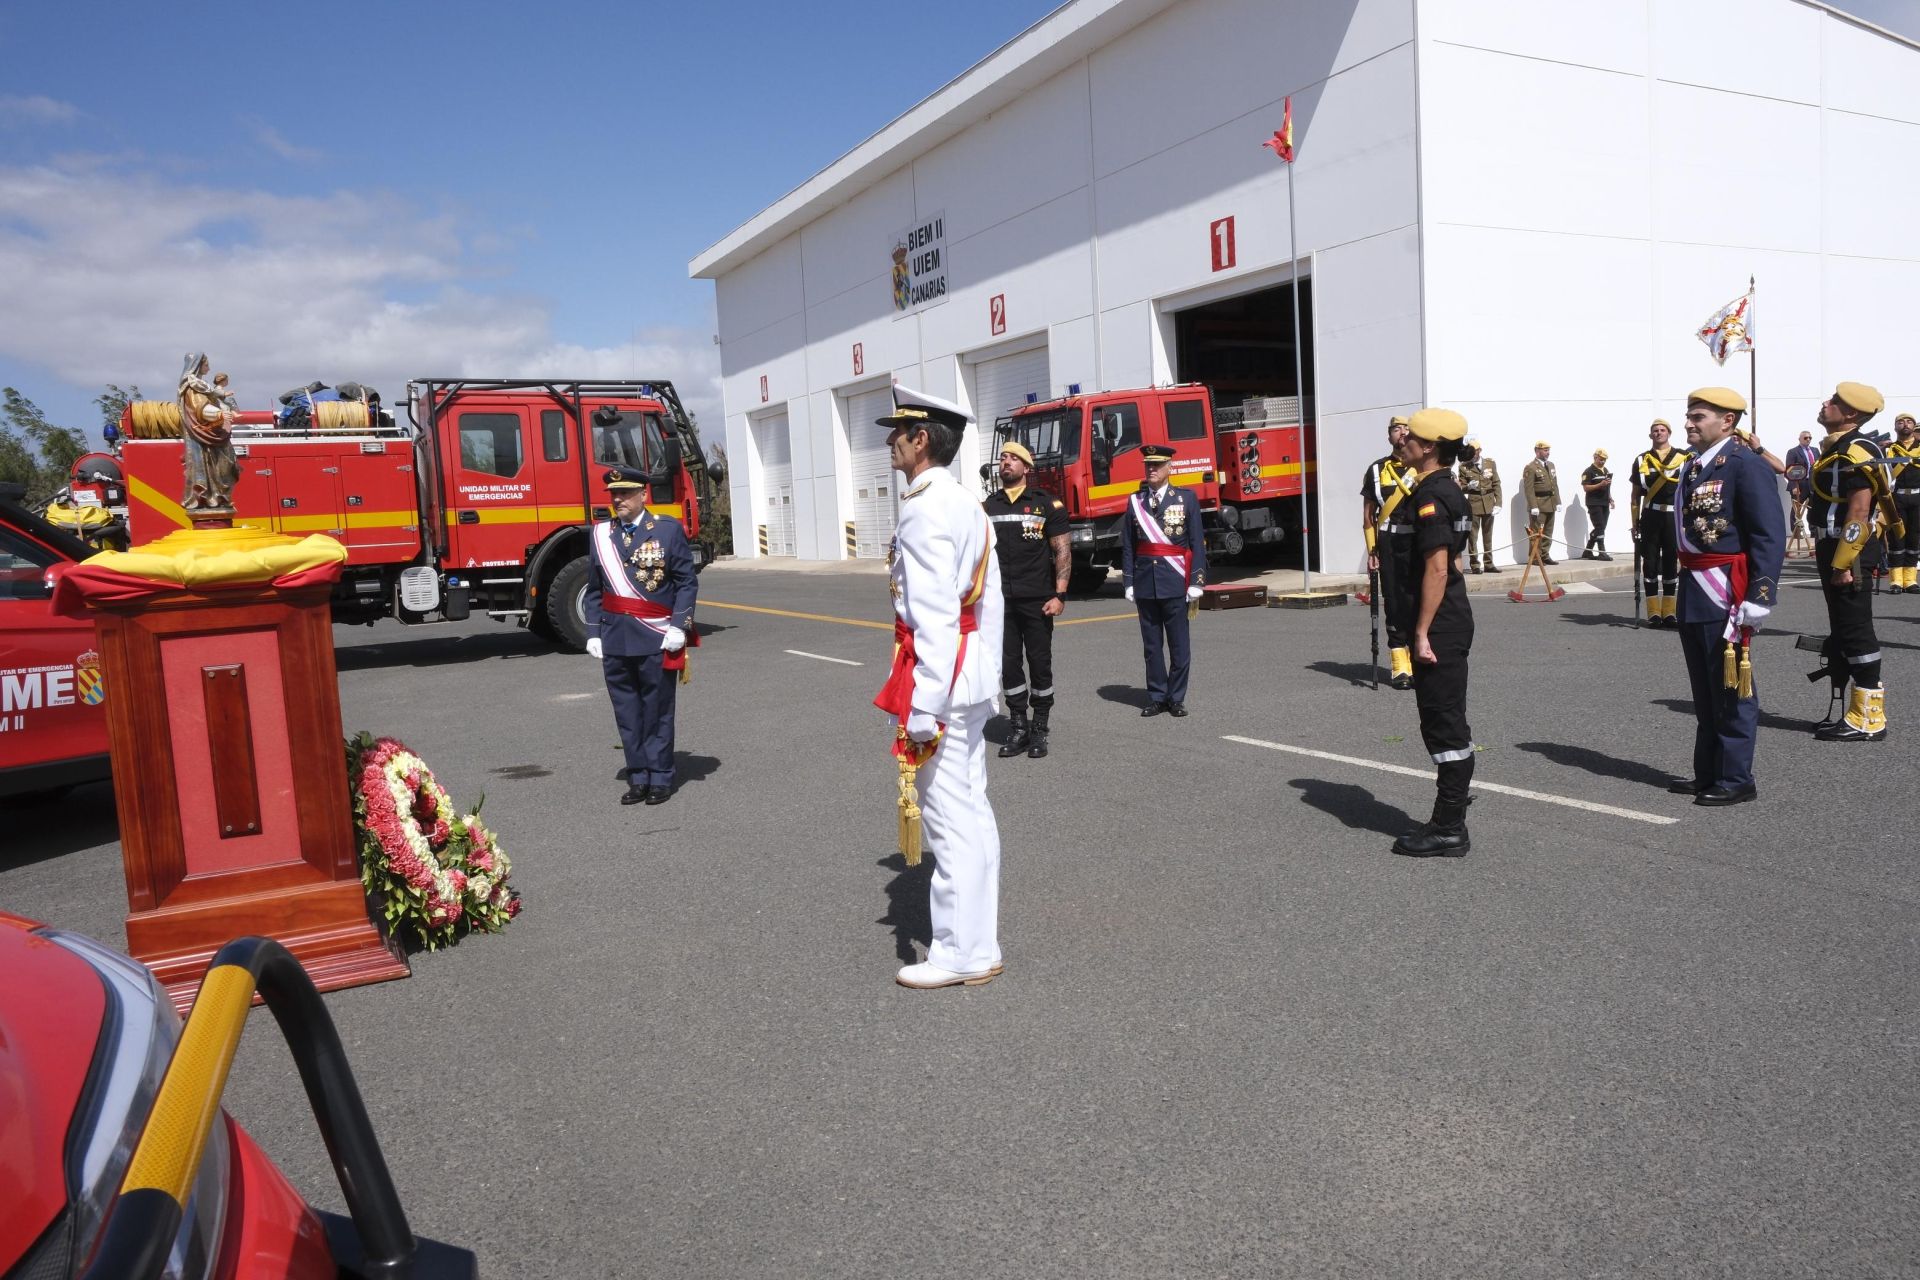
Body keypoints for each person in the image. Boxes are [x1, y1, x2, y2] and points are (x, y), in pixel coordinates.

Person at [870, 384, 1006, 989]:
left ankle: (959, 952)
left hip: (943, 682)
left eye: (896, 433)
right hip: (969, 673)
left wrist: (924, 705)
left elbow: (935, 618)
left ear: (921, 439)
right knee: (972, 811)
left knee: (950, 820)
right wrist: (991, 675)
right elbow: (989, 606)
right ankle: (981, 941)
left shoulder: (925, 507)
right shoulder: (966, 503)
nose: (889, 443)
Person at [1665, 388, 1785, 806]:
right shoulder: (1694, 466)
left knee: (1733, 688)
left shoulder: (1745, 465)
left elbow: (1768, 535)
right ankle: (1708, 772)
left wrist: (1760, 594)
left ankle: (1736, 778)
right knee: (1705, 689)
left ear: (1727, 421)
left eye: (1698, 416)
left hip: (1726, 592)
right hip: (1695, 589)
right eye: (1689, 416)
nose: (1688, 423)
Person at [1389, 408, 1477, 857]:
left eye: (1410, 439)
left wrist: (1421, 631)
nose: (1401, 442)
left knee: (1445, 727)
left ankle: (1449, 828)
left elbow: (1440, 567)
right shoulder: (1438, 488)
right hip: (1445, 621)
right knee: (1442, 722)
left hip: (1439, 627)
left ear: (1430, 448)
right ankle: (1450, 817)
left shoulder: (1432, 494)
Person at [584, 466, 698, 805]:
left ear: (643, 494)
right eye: (613, 494)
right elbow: (594, 588)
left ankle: (661, 776)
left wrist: (680, 625)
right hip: (616, 637)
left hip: (655, 636)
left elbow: (685, 582)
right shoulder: (601, 534)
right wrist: (593, 632)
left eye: (625, 493)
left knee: (657, 710)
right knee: (627, 712)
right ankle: (638, 776)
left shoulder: (666, 529)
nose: (617, 499)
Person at [1808, 382, 1896, 742]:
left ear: (1851, 414)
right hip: (1835, 547)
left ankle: (1870, 718)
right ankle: (1855, 712)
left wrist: (1843, 563)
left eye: (1835, 402)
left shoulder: (1858, 450)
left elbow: (1860, 512)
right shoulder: (1838, 447)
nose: (1826, 403)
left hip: (1852, 551)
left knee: (1856, 628)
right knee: (1843, 628)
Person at [983, 441, 1069, 757]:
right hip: (999, 603)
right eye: (1003, 458)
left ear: (1026, 468)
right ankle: (1018, 726)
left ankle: (1039, 728)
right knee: (1008, 665)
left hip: (1037, 600)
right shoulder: (988, 506)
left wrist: (1060, 595)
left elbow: (1062, 550)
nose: (1005, 462)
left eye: (1012, 458)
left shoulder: (1046, 504)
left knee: (1039, 663)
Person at [1122, 443, 1207, 715]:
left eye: (1157, 465)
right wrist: (1129, 581)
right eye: (1148, 465)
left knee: (1179, 645)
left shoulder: (1186, 499)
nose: (1152, 469)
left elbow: (1197, 543)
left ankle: (1177, 697)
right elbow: (1128, 545)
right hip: (1147, 583)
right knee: (1152, 647)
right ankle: (1157, 696)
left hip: (1174, 581)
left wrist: (1197, 581)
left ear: (1170, 468)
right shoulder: (1135, 501)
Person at [1360, 417, 1415, 686]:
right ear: (1389, 437)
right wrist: (1372, 549)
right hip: (1390, 543)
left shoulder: (1424, 467)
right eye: (1396, 429)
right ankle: (1399, 667)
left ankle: (1418, 659)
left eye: (1407, 429)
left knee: (1419, 600)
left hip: (1419, 543)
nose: (1402, 433)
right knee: (1394, 602)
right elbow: (1368, 516)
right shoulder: (1376, 469)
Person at [1631, 419, 1690, 628]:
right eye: (1655, 430)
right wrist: (1634, 522)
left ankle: (1670, 612)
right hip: (1650, 516)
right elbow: (1635, 495)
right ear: (1650, 435)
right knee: (1651, 562)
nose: (1658, 433)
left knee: (1671, 563)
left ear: (1669, 433)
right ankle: (1654, 612)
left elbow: (1690, 490)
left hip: (1674, 517)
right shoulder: (1641, 460)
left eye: (1662, 430)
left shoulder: (1684, 458)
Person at [1456, 436, 1501, 573]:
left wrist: (1498, 502)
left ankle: (1489, 563)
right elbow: (1461, 487)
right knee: (1472, 536)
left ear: (1480, 450)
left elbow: (1496, 483)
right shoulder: (1464, 467)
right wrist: (1468, 486)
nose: (1471, 454)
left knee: (1488, 536)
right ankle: (1475, 564)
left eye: (1474, 451)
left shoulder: (1490, 463)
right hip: (1474, 503)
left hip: (1488, 502)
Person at [1887, 413, 1920, 593]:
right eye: (1900, 422)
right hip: (1897, 497)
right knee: (1897, 537)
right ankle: (1896, 581)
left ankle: (1910, 580)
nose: (1905, 424)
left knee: (1914, 538)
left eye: (1909, 422)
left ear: (1913, 427)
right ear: (1895, 427)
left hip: (1918, 497)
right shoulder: (1889, 449)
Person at [1521, 441, 1561, 564]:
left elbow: (1554, 484)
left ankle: (1545, 554)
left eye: (1548, 450)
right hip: (1538, 504)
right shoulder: (1531, 467)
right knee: (1537, 532)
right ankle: (1535, 557)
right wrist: (1533, 505)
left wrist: (1558, 501)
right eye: (1545, 450)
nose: (1547, 453)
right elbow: (1529, 489)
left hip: (1550, 503)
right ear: (1537, 451)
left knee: (1548, 531)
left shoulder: (1551, 465)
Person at [1580, 448, 1615, 560]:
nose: (1603, 461)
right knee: (1599, 526)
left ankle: (1587, 551)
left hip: (1605, 502)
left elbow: (1607, 487)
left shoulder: (1605, 471)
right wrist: (1600, 484)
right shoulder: (1588, 471)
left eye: (1604, 460)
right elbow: (1586, 488)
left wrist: (1610, 498)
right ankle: (1602, 551)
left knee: (1601, 527)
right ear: (1595, 457)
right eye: (1601, 459)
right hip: (1594, 503)